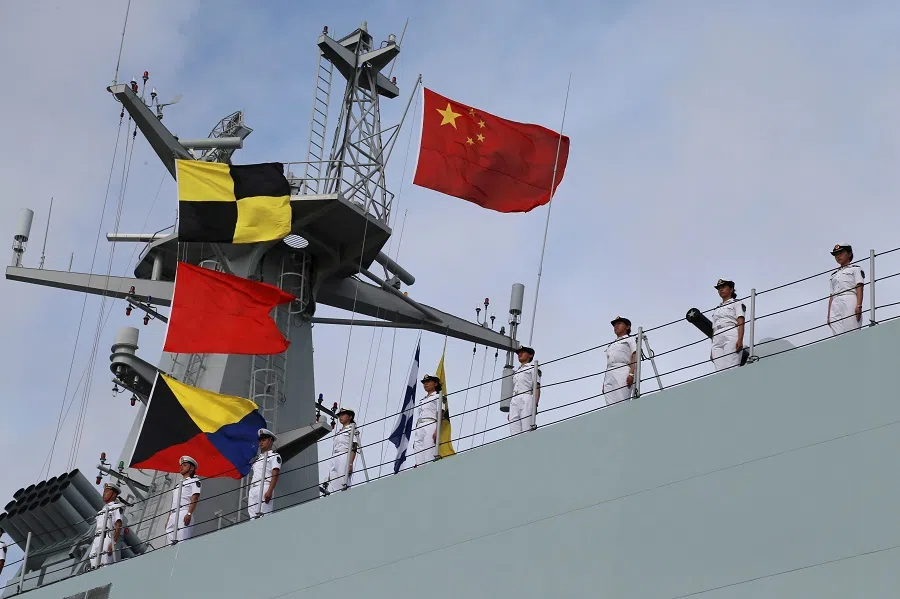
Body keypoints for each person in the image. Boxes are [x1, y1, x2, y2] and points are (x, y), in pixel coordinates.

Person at [828, 244, 865, 335]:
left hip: (849, 298)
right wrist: (828, 314)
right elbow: (831, 296)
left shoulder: (855, 269)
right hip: (835, 303)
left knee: (852, 331)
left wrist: (859, 305)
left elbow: (859, 286)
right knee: (837, 335)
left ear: (849, 254)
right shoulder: (834, 275)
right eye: (836, 254)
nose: (838, 256)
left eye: (841, 253)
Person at [710, 279, 746, 371]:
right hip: (716, 337)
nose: (720, 290)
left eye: (723, 287)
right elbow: (713, 328)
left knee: (732, 365)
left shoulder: (736, 303)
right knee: (720, 370)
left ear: (731, 289)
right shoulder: (717, 309)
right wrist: (712, 347)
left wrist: (740, 339)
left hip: (730, 331)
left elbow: (740, 321)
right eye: (719, 289)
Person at [323, 407, 360, 494]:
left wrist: (350, 463)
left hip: (344, 455)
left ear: (350, 417)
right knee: (334, 482)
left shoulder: (352, 429)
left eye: (343, 415)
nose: (340, 417)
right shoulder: (339, 432)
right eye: (339, 415)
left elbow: (354, 447)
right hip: (335, 456)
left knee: (344, 482)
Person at [165, 456, 201, 545]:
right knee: (171, 543)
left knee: (182, 540)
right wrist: (168, 519)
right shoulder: (178, 485)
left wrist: (189, 513)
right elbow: (174, 502)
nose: (181, 467)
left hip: (184, 512)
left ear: (191, 468)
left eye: (185, 465)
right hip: (173, 514)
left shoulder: (195, 480)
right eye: (181, 465)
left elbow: (195, 498)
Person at [87, 483, 124, 569]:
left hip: (107, 535)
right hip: (98, 536)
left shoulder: (117, 507)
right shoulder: (101, 511)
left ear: (114, 494)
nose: (104, 494)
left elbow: (118, 523)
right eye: (104, 491)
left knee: (105, 558)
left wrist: (113, 542)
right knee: (92, 556)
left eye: (107, 491)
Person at [603, 317, 637, 405]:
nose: (616, 326)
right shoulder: (611, 344)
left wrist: (631, 374)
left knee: (622, 400)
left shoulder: (630, 339)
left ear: (627, 327)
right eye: (615, 325)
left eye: (619, 324)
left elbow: (635, 355)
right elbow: (608, 363)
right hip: (609, 373)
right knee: (609, 404)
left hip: (622, 370)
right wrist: (604, 381)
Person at [248, 428, 281, 519]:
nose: (261, 443)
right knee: (252, 518)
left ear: (270, 441)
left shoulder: (274, 456)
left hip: (265, 487)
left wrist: (269, 491)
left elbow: (275, 473)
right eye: (260, 441)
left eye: (264, 440)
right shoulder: (258, 459)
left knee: (263, 516)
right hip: (253, 489)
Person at [509, 347, 541, 434]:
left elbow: (537, 387)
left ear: (530, 355)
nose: (519, 354)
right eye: (519, 353)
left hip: (526, 397)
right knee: (514, 431)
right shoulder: (516, 372)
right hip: (514, 400)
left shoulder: (533, 368)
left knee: (526, 429)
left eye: (523, 352)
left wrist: (535, 405)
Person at [412, 375, 441, 466]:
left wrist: (437, 430)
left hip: (431, 423)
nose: (426, 384)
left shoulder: (438, 396)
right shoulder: (422, 400)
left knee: (429, 448)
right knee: (418, 448)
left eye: (428, 381)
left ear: (435, 383)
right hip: (420, 425)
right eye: (424, 382)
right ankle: (420, 466)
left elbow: (441, 413)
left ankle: (429, 467)